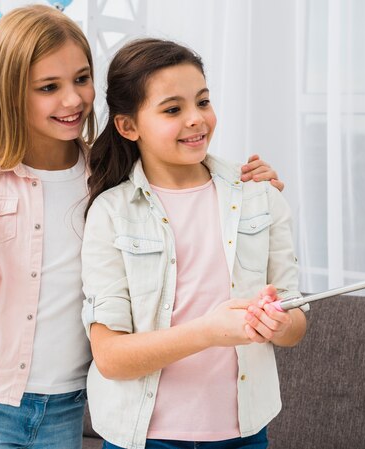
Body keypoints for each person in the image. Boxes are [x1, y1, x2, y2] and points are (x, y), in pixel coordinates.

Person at [0, 6, 282, 448]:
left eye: (81, 79)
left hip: (68, 403)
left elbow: (181, 170)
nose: (73, 100)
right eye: (49, 87)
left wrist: (252, 184)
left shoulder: (108, 173)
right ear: (12, 93)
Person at [82, 38, 308, 449]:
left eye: (202, 102)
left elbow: (295, 326)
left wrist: (278, 323)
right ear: (128, 126)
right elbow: (111, 357)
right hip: (145, 437)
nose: (196, 119)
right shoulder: (111, 213)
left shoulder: (260, 195)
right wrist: (208, 331)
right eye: (173, 109)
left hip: (245, 432)